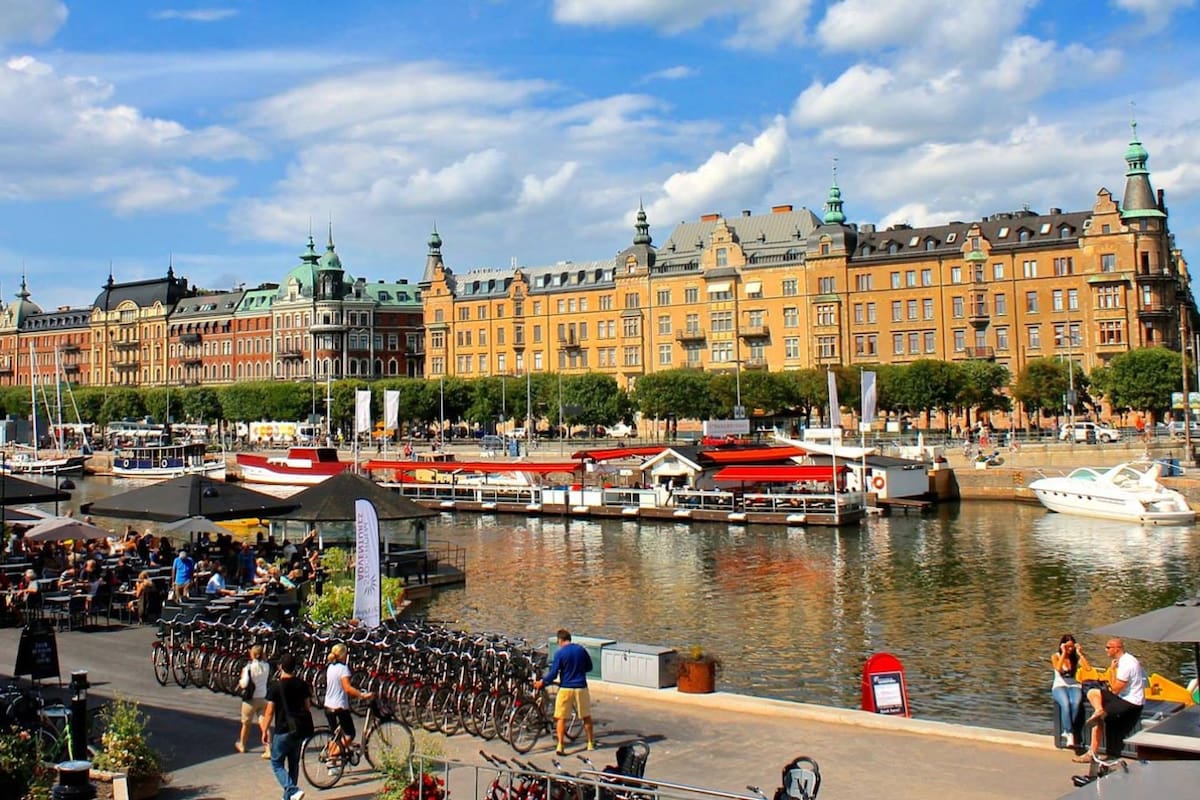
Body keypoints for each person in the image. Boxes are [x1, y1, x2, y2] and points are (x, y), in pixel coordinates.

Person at [1076, 638, 1145, 763]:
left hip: (1130, 701)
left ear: (1116, 648)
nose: (1105, 649)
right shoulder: (1127, 659)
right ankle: (1099, 710)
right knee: (1093, 692)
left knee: (1098, 715)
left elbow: (1116, 689)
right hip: (1127, 698)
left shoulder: (1126, 664)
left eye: (1108, 647)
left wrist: (1111, 674)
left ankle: (1092, 753)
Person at [533, 628, 595, 755]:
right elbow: (590, 667)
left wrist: (542, 682)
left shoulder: (560, 654)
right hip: (581, 687)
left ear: (560, 641)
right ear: (569, 639)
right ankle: (590, 743)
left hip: (566, 688)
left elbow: (553, 674)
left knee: (561, 718)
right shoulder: (581, 650)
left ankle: (560, 745)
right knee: (586, 717)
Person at [261, 652, 310, 800]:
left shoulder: (275, 687)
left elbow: (269, 712)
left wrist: (264, 730)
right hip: (298, 729)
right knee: (293, 764)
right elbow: (307, 706)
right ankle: (289, 797)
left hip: (282, 729)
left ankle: (292, 790)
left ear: (280, 667)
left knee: (276, 763)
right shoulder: (302, 684)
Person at [323, 643, 372, 754]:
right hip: (339, 706)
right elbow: (347, 688)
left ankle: (332, 764)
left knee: (335, 736)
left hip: (328, 705)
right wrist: (362, 695)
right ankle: (334, 755)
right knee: (350, 733)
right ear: (343, 655)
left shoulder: (330, 667)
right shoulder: (343, 669)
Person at [1051, 634, 1090, 749]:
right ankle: (1070, 733)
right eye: (1067, 647)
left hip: (1074, 685)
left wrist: (1080, 653)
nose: (1070, 649)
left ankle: (1067, 730)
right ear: (1062, 646)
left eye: (1071, 647)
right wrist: (1063, 653)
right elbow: (1058, 668)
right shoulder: (1056, 656)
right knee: (1065, 704)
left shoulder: (1075, 657)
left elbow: (1088, 668)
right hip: (1059, 685)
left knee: (1075, 703)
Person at [236, 644, 271, 757]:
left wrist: (240, 681)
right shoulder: (267, 666)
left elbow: (244, 683)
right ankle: (268, 748)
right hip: (263, 697)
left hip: (250, 699)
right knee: (264, 724)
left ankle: (242, 744)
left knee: (246, 724)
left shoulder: (249, 668)